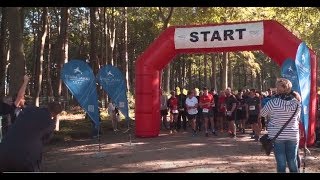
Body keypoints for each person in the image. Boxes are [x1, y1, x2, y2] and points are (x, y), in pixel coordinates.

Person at [0, 101, 62, 172]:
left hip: (3, 152)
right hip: (25, 159)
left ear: (47, 106)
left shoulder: (29, 109)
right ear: (56, 114)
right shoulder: (50, 124)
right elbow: (45, 140)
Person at [260, 78, 301, 173]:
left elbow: (262, 114)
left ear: (278, 89)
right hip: (293, 135)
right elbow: (297, 118)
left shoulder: (273, 102)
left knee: (281, 162)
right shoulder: (297, 103)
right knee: (292, 161)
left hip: (277, 136)